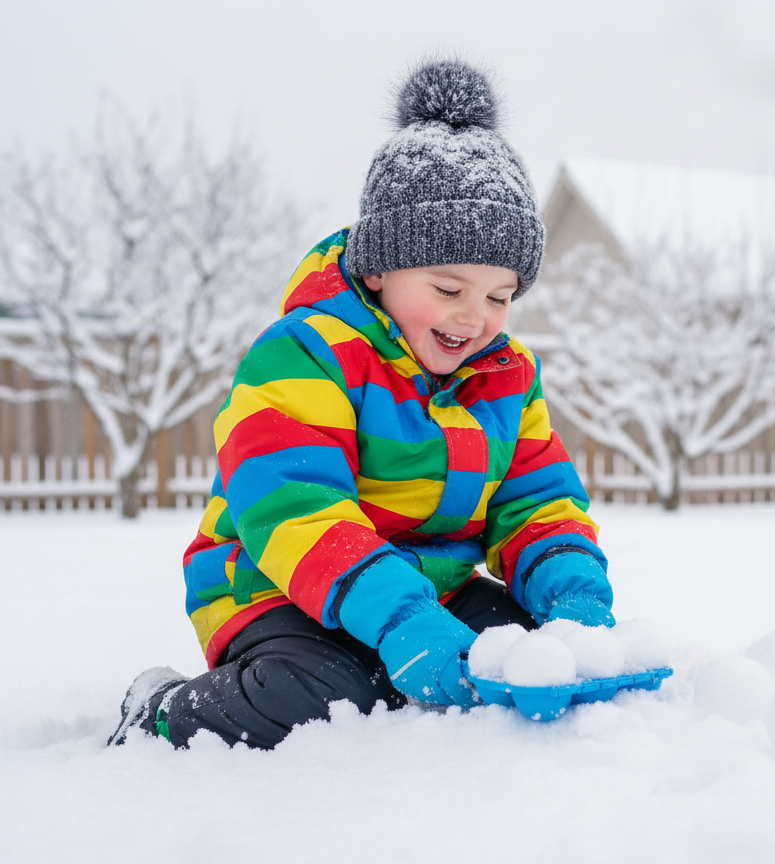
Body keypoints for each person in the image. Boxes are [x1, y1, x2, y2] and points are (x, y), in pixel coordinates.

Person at [108, 59, 613, 750]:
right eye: (448, 287)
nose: (476, 316)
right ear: (379, 268)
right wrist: (403, 618)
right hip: (277, 585)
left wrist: (572, 598)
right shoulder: (303, 356)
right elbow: (295, 507)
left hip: (427, 591)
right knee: (336, 692)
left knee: (526, 649)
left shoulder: (508, 375)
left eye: (500, 297)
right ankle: (163, 710)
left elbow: (536, 500)